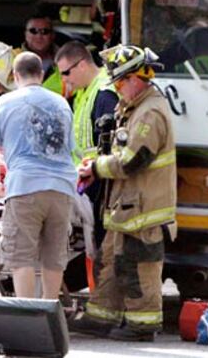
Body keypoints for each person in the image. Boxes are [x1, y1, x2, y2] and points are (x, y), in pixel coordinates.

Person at [69, 44, 177, 342]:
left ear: (136, 78)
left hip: (144, 208)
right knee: (110, 260)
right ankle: (101, 316)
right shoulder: (133, 108)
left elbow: (133, 160)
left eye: (120, 82)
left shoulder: (150, 112)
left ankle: (143, 325)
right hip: (127, 205)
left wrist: (97, 168)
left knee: (139, 264)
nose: (116, 88)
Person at [0, 52, 77, 299]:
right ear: (42, 75)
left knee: (21, 255)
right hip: (62, 188)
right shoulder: (62, 103)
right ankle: (50, 308)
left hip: (24, 186)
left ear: (15, 76)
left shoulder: (5, 102)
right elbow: (70, 148)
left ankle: (26, 311)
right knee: (54, 256)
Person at [55, 40, 119, 248]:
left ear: (81, 64)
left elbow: (109, 144)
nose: (64, 79)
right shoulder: (85, 92)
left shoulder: (104, 93)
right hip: (87, 179)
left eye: (66, 73)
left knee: (100, 244)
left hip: (100, 182)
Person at [19, 14, 63, 94]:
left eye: (44, 32)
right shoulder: (13, 58)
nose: (39, 36)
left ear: (52, 36)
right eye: (33, 31)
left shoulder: (64, 61)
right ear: (25, 34)